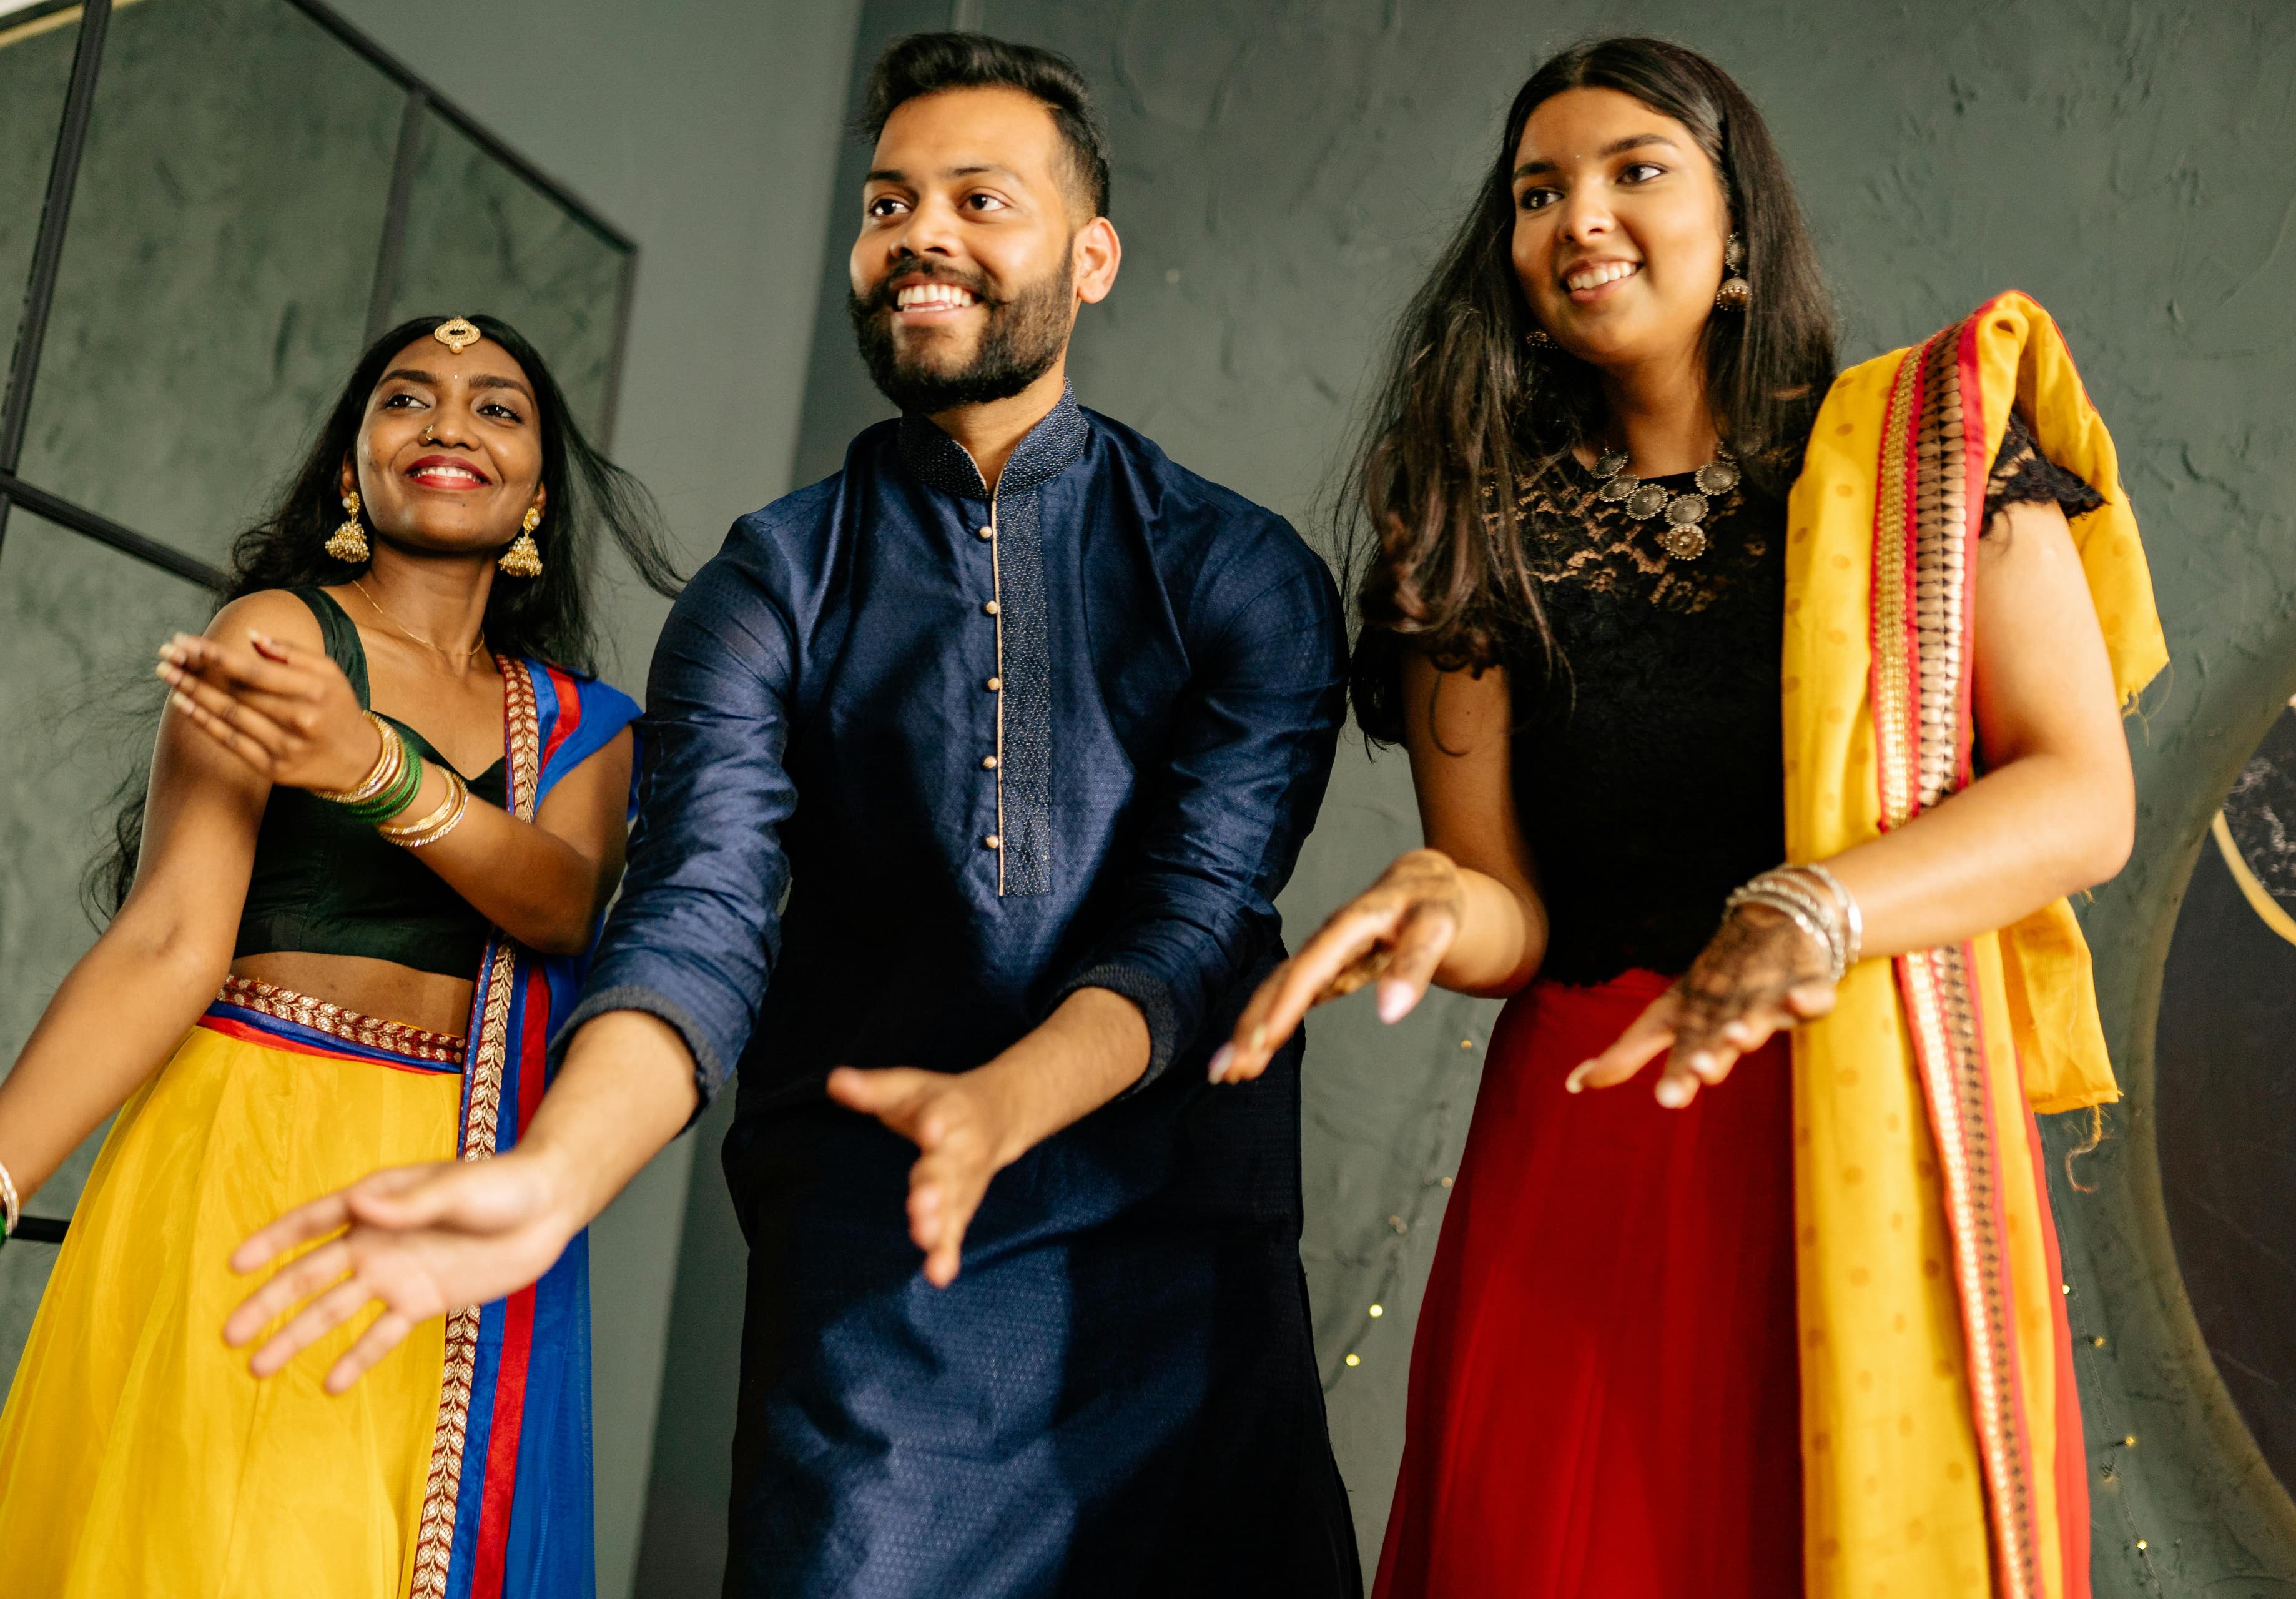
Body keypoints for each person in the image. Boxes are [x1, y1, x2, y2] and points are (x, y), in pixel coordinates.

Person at [220, 34, 1359, 1599]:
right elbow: (697, 917)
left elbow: (1195, 922)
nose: (922, 237)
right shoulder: (772, 580)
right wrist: (555, 1179)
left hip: (1167, 1270)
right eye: (890, 201)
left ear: (1091, 257)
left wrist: (1003, 1103)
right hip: (876, 1286)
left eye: (980, 196)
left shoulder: (1240, 571)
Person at [1215, 36, 2167, 1599]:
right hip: (1590, 1136)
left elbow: (2079, 794)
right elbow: (1511, 905)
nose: (1579, 216)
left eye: (1634, 170)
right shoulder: (1471, 517)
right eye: (1538, 193)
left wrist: (1810, 910)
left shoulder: (1926, 460)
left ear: (1739, 230)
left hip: (1867, 1123)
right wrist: (1435, 907)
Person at [0, 312, 678, 1597]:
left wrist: (371, 768)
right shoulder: (283, 634)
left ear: (537, 494)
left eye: (497, 408)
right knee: (211, 1546)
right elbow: (165, 938)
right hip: (239, 1144)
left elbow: (561, 905)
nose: (449, 423)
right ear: (352, 464)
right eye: (408, 397)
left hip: (447, 1181)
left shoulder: (588, 726)